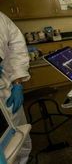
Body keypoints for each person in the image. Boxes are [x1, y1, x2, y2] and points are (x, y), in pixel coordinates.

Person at [0, 11, 31, 164]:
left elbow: (17, 49)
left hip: (5, 89)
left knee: (18, 139)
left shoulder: (1, 19)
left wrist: (17, 83)